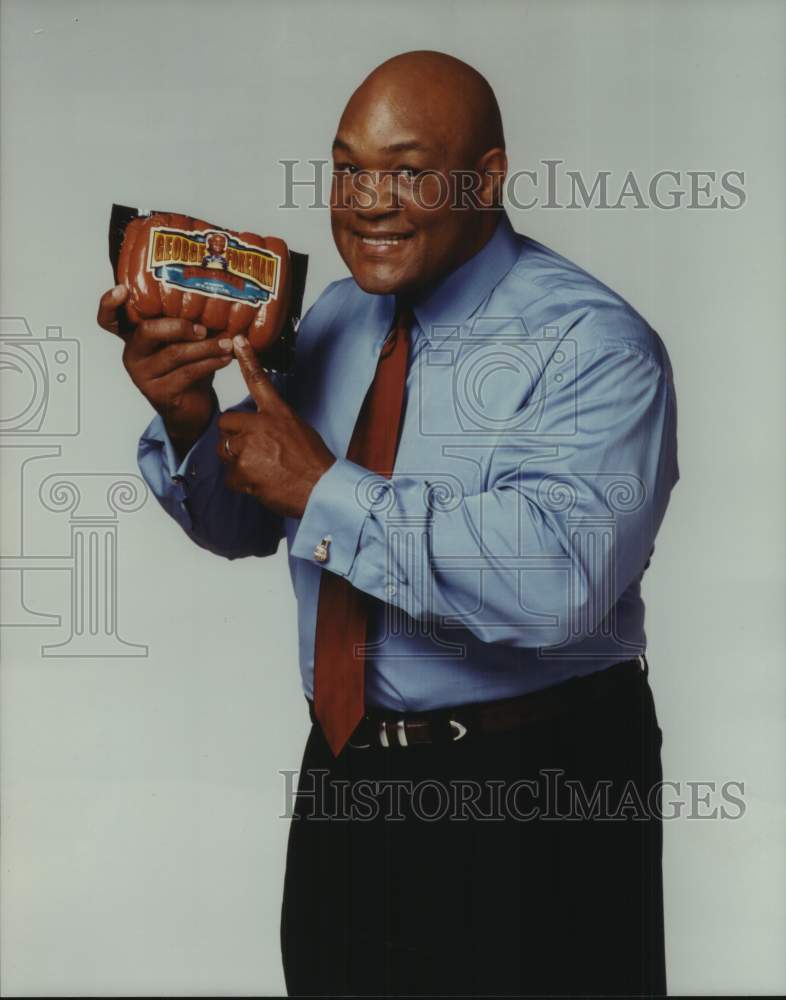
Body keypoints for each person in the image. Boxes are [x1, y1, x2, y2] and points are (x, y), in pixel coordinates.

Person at [97, 50, 677, 998]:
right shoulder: (333, 318)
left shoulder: (593, 346)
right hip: (346, 775)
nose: (369, 201)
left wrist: (323, 485)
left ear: (485, 178)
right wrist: (192, 419)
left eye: (407, 171)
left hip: (533, 786)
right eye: (349, 169)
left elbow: (556, 587)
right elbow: (245, 527)